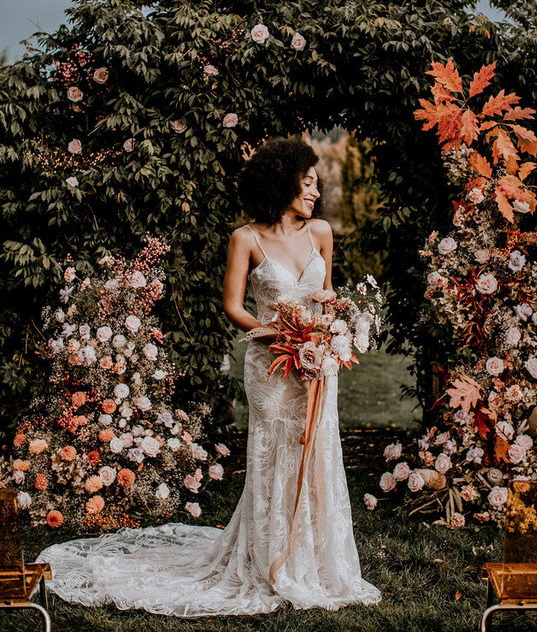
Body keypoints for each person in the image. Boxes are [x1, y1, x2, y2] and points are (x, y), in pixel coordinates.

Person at [37, 136, 380, 617]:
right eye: (307, 183)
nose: (315, 193)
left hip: (318, 363)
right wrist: (277, 333)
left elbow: (325, 294)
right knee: (273, 454)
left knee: (317, 450)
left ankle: (317, 561)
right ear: (282, 183)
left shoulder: (321, 231)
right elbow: (233, 306)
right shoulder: (246, 238)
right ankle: (268, 562)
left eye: (316, 185)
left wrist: (332, 329)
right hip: (271, 364)